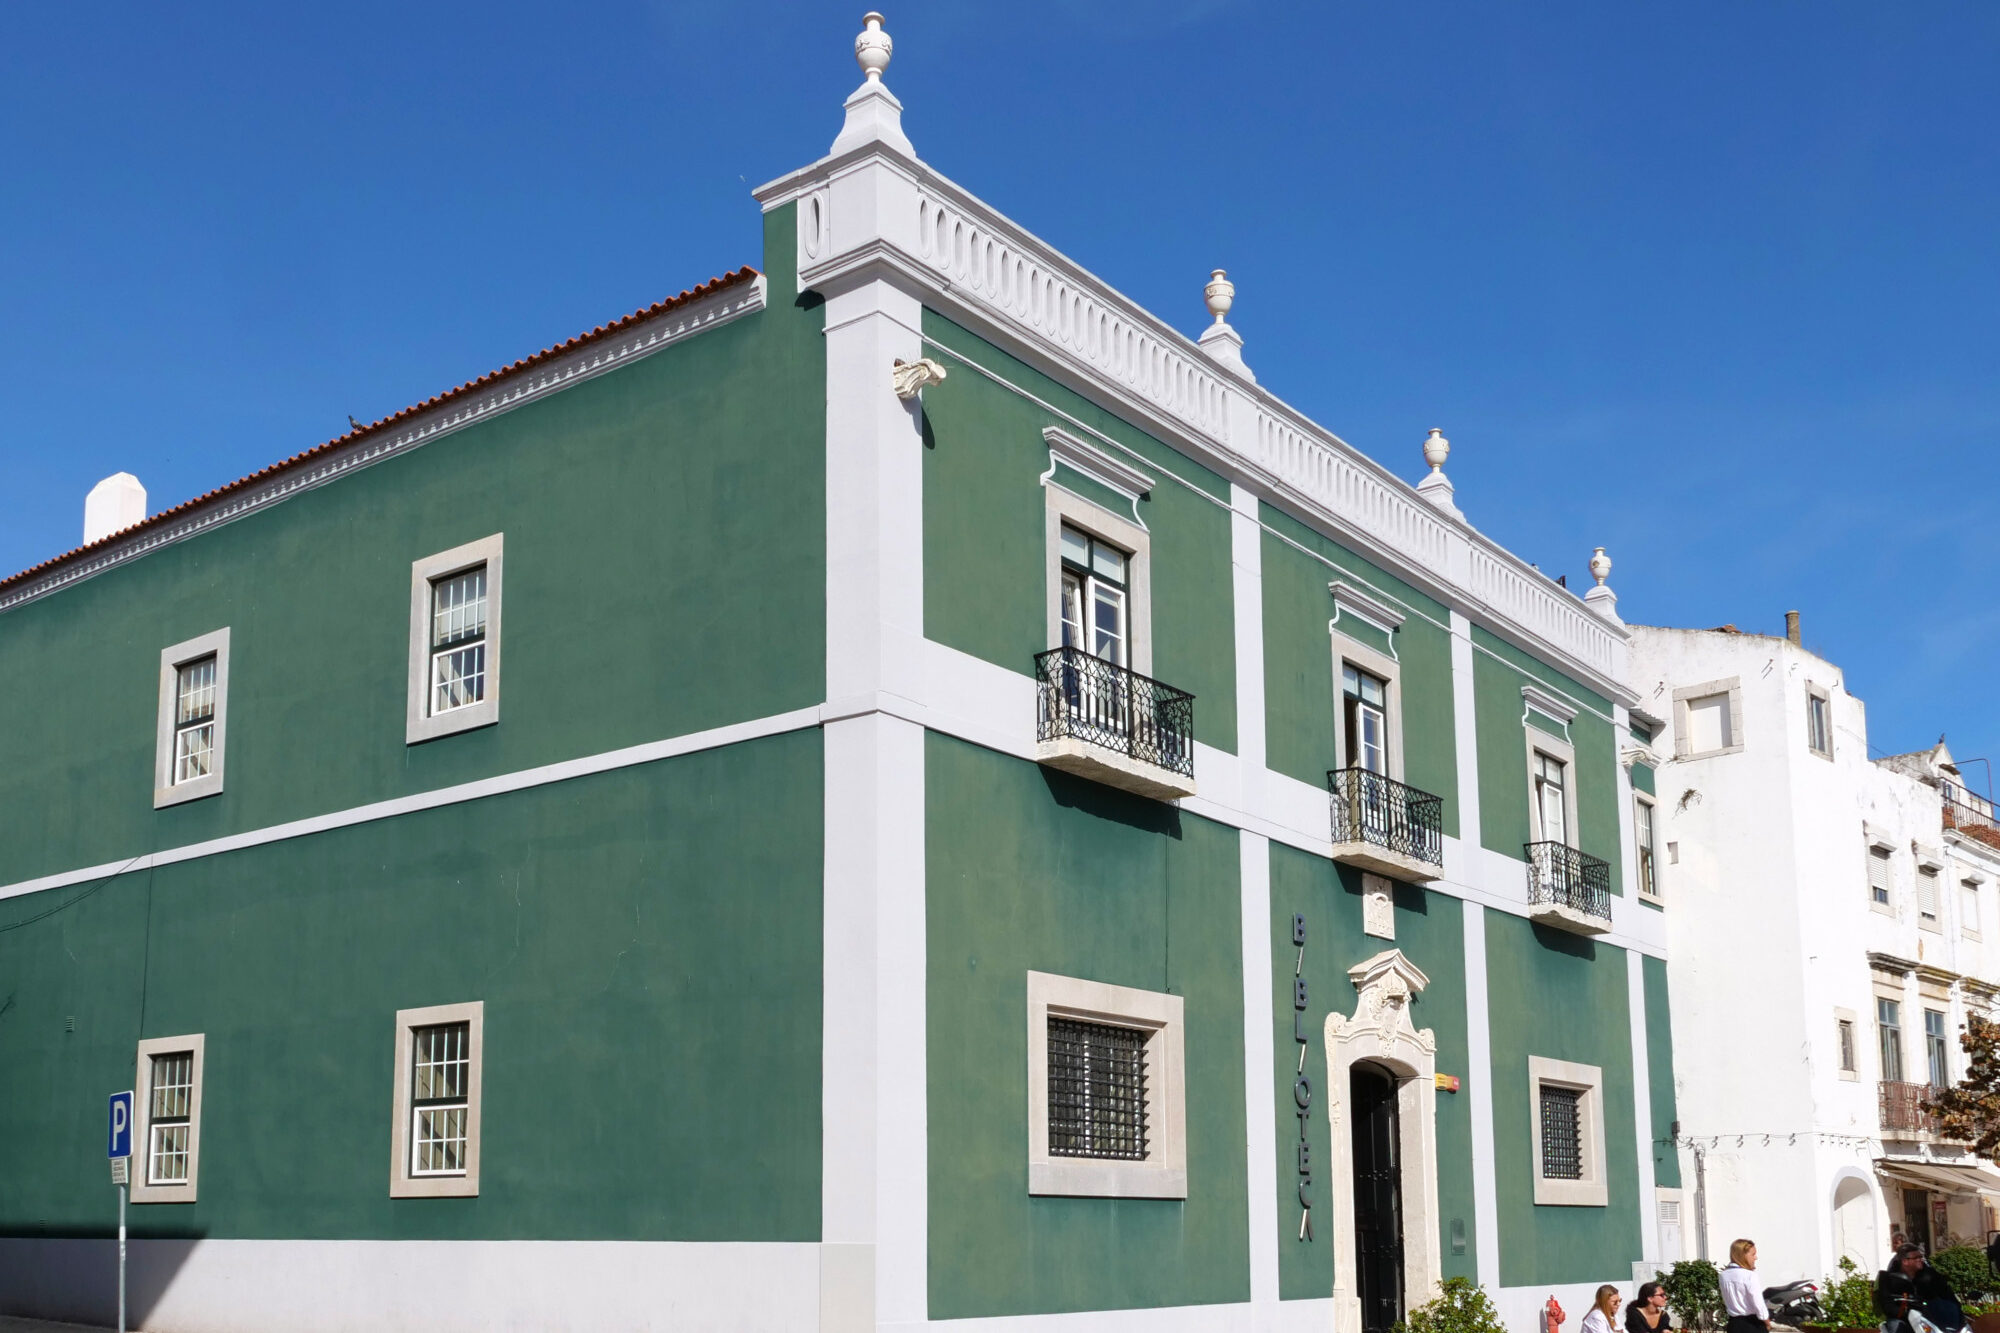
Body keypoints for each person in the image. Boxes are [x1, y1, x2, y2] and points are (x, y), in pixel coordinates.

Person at [1880, 1244, 1966, 1333]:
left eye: (1921, 1256)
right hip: (1904, 1318)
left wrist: (1955, 1306)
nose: (1920, 1259)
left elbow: (1946, 1293)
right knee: (1895, 1326)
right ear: (1905, 1261)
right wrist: (1905, 1311)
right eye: (1916, 1257)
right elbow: (1887, 1305)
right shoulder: (1891, 1279)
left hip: (1930, 1318)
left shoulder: (1930, 1276)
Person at [1719, 1238, 1770, 1333]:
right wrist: (1766, 1321)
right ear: (1743, 1255)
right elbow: (1758, 1303)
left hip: (1733, 1325)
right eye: (1753, 1254)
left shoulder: (1723, 1275)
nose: (1756, 1258)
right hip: (1752, 1324)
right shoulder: (1750, 1275)